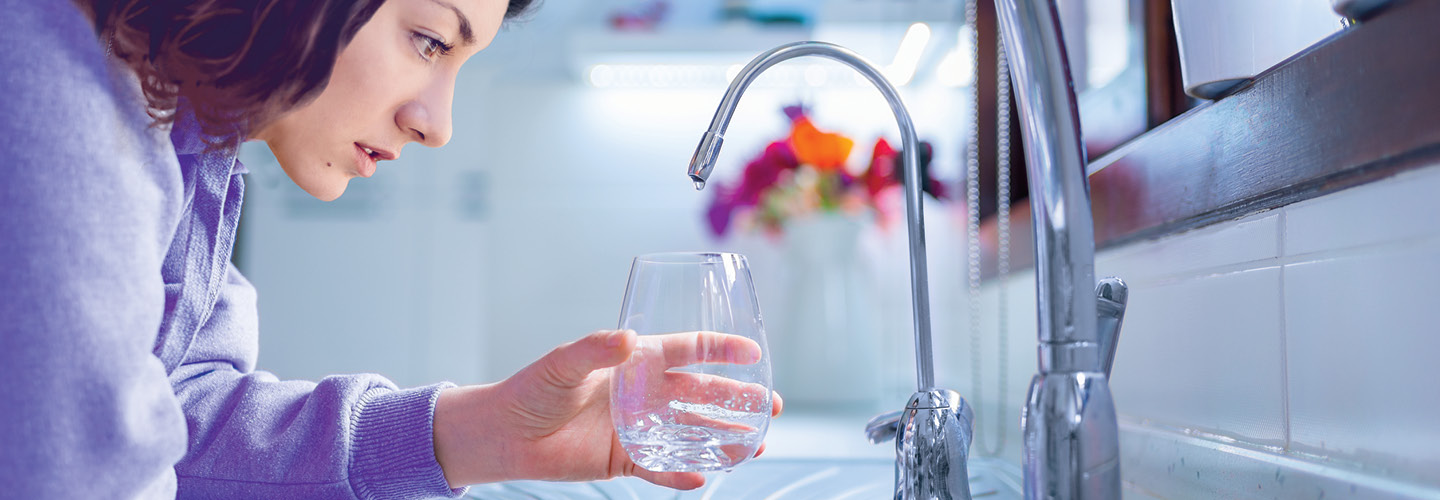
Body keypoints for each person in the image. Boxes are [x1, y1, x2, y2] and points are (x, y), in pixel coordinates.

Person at [0, 1, 783, 498]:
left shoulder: (191, 133)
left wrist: (486, 434)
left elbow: (177, 418)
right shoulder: (58, 89)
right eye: (430, 39)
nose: (437, 124)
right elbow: (71, 472)